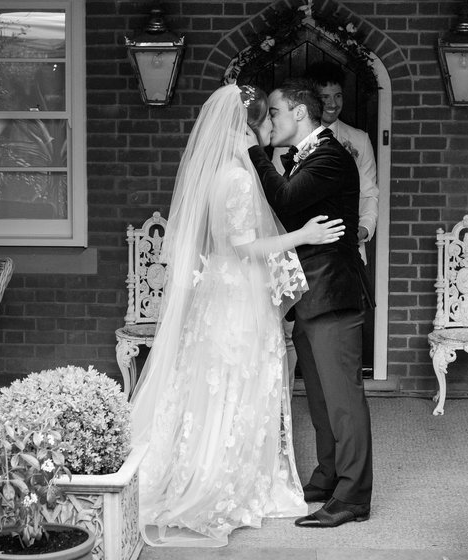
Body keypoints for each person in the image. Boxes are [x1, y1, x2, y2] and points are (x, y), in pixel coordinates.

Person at [130, 84, 345, 547]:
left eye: (275, 114)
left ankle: (217, 468)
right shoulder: (242, 178)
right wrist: (303, 235)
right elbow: (246, 247)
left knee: (215, 385)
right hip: (240, 297)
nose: (272, 124)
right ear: (248, 127)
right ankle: (230, 481)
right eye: (266, 117)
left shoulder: (219, 173)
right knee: (240, 383)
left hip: (218, 293)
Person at [245, 78, 374, 529]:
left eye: (275, 112)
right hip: (310, 294)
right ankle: (328, 474)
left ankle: (353, 496)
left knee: (343, 400)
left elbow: (284, 199)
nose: (270, 121)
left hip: (335, 294)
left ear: (299, 113)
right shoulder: (306, 158)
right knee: (318, 397)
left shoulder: (331, 157)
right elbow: (294, 215)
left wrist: (253, 151)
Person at [271, 63, 379, 264]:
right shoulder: (286, 142)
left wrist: (362, 230)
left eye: (338, 96)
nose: (333, 103)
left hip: (346, 250)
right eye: (325, 97)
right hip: (301, 251)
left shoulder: (359, 139)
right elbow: (278, 195)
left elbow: (369, 192)